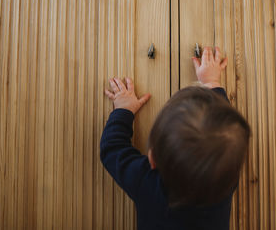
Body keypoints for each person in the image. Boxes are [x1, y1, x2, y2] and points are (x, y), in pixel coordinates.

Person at [101, 46, 250, 230]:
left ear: (152, 159)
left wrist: (123, 109)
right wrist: (212, 83)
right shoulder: (224, 182)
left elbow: (112, 148)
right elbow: (222, 130)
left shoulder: (146, 182)